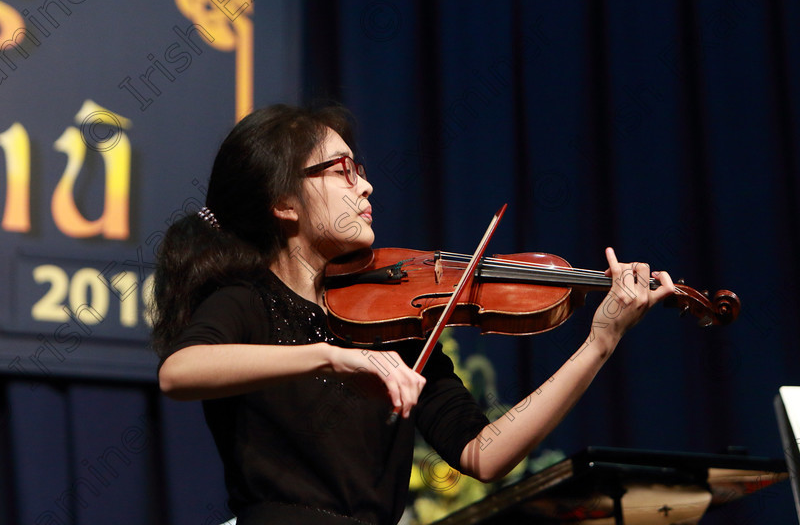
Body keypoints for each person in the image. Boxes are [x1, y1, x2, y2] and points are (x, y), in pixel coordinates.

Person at [152, 103, 675, 525]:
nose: (366, 185)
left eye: (361, 170)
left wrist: (599, 342)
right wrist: (331, 358)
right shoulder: (250, 301)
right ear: (284, 203)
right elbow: (179, 372)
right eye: (342, 171)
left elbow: (483, 454)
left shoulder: (389, 325)